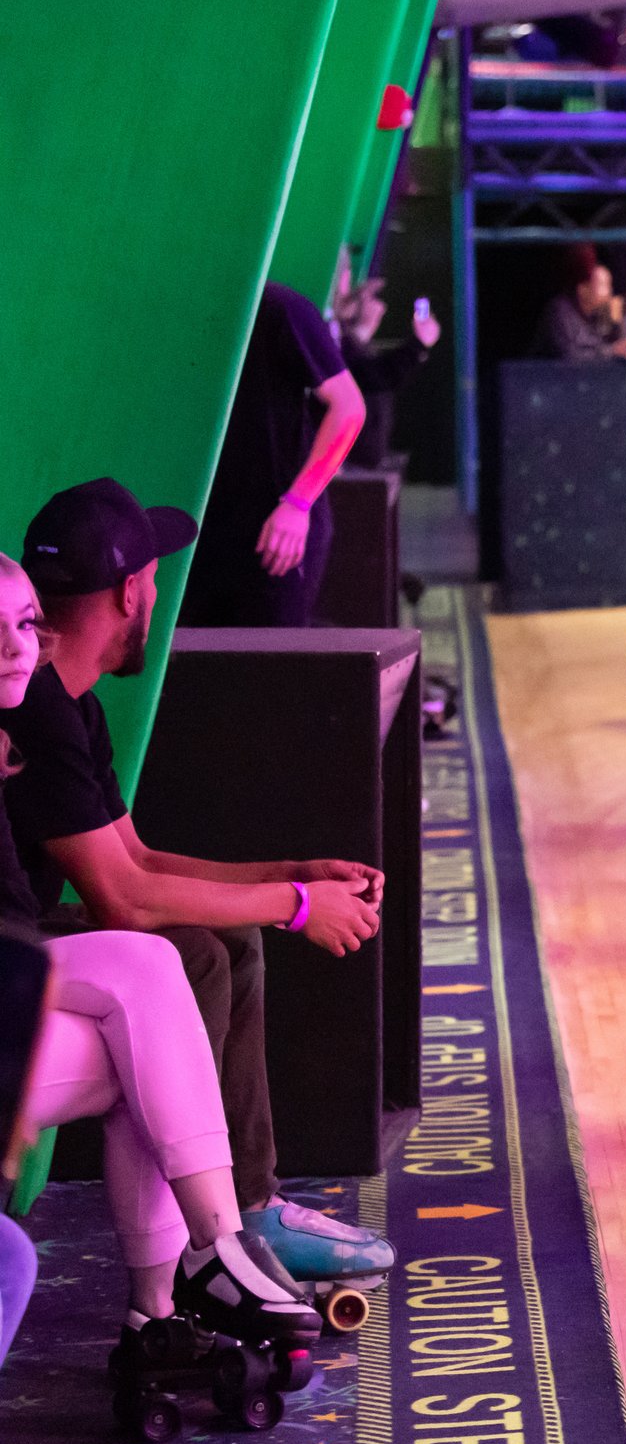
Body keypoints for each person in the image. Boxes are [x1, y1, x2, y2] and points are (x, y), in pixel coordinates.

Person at [0, 480, 398, 1292]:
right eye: (152, 578)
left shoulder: (71, 704)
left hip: (28, 928)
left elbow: (139, 860)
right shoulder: (35, 703)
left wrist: (287, 876)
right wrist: (296, 908)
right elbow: (125, 901)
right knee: (194, 957)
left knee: (231, 941)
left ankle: (246, 1209)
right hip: (17, 944)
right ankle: (201, 1241)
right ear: (131, 592)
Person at [183, 283, 367, 629]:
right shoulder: (178, 306)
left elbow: (349, 408)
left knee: (266, 667)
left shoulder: (280, 307)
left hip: (275, 527)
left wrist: (298, 503)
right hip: (206, 530)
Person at [327, 252, 440, 472]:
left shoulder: (340, 332)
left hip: (356, 464)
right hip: (344, 463)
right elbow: (373, 376)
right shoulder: (328, 327)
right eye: (345, 279)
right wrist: (418, 345)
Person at [534, 248, 626, 361]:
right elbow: (570, 356)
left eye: (610, 285)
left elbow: (621, 347)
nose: (610, 292)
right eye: (604, 285)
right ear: (583, 289)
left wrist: (617, 323)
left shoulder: (601, 315)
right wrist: (612, 351)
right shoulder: (560, 312)